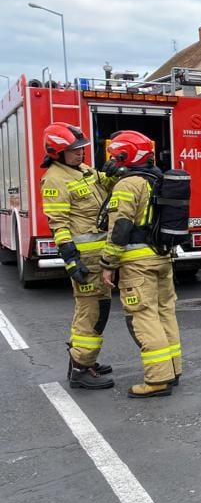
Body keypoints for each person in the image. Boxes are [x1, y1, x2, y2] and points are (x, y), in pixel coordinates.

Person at [99, 130, 181, 398]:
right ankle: (172, 370)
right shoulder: (158, 179)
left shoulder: (127, 185)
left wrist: (108, 262)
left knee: (144, 316)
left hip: (137, 262)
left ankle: (157, 379)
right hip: (161, 256)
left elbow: (120, 227)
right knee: (165, 313)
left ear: (124, 154)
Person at [39, 122, 114, 391]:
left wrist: (113, 173)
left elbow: (106, 187)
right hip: (85, 259)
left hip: (99, 257)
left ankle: (84, 361)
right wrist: (71, 259)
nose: (80, 153)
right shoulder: (55, 179)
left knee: (97, 309)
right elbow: (58, 223)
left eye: (81, 149)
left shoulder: (82, 170)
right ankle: (81, 369)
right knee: (91, 312)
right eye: (74, 150)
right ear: (57, 152)